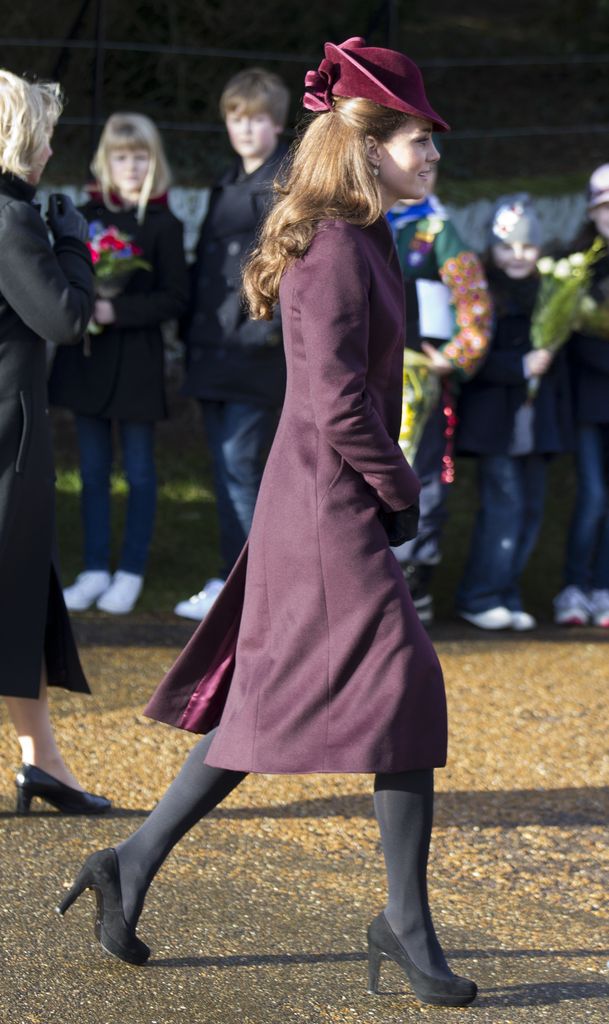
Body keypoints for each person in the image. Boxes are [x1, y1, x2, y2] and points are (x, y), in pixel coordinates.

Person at [58, 38, 477, 1009]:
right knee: (405, 685)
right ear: (371, 146)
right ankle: (404, 920)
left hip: (321, 505)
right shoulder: (335, 249)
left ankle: (131, 858)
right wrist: (402, 486)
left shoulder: (363, 239)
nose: (435, 156)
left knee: (267, 700)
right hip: (327, 511)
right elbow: (334, 400)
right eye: (423, 141)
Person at [0, 69, 110, 814]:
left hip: (12, 428)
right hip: (6, 436)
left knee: (23, 592)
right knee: (11, 587)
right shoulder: (9, 217)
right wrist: (74, 247)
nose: (51, 147)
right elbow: (66, 320)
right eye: (44, 133)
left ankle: (43, 759)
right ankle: (43, 760)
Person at [49, 113, 189, 615]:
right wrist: (86, 306)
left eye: (140, 156)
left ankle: (129, 570)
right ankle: (93, 569)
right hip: (88, 360)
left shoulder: (165, 224)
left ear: (155, 162)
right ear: (105, 162)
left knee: (140, 472)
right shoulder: (84, 217)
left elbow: (177, 297)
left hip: (137, 363)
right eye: (121, 157)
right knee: (90, 470)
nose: (131, 166)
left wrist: (116, 309)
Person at [173, 68, 290, 622]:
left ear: (278, 122)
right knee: (224, 471)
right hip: (211, 348)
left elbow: (289, 266)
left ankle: (251, 590)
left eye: (258, 118)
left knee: (241, 470)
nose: (246, 129)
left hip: (253, 352)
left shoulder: (283, 186)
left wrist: (265, 332)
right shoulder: (223, 182)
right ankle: (232, 580)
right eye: (236, 118)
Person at [456, 195, 572, 630]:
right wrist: (520, 366)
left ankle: (506, 591)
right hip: (496, 425)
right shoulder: (481, 292)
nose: (517, 255)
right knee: (503, 507)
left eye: (527, 246)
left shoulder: (552, 293)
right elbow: (473, 359)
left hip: (537, 426)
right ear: (492, 248)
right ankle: (479, 594)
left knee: (530, 510)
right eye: (507, 246)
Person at [387, 168, 491, 625]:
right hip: (372, 379)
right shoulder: (367, 222)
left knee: (420, 474)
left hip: (421, 382)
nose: (419, 177)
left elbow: (473, 300)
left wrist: (458, 353)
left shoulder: (439, 231)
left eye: (428, 171)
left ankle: (415, 578)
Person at [554, 165, 609, 627]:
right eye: (605, 208)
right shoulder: (578, 263)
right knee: (592, 495)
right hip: (589, 400)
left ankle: (604, 588)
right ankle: (573, 586)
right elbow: (568, 336)